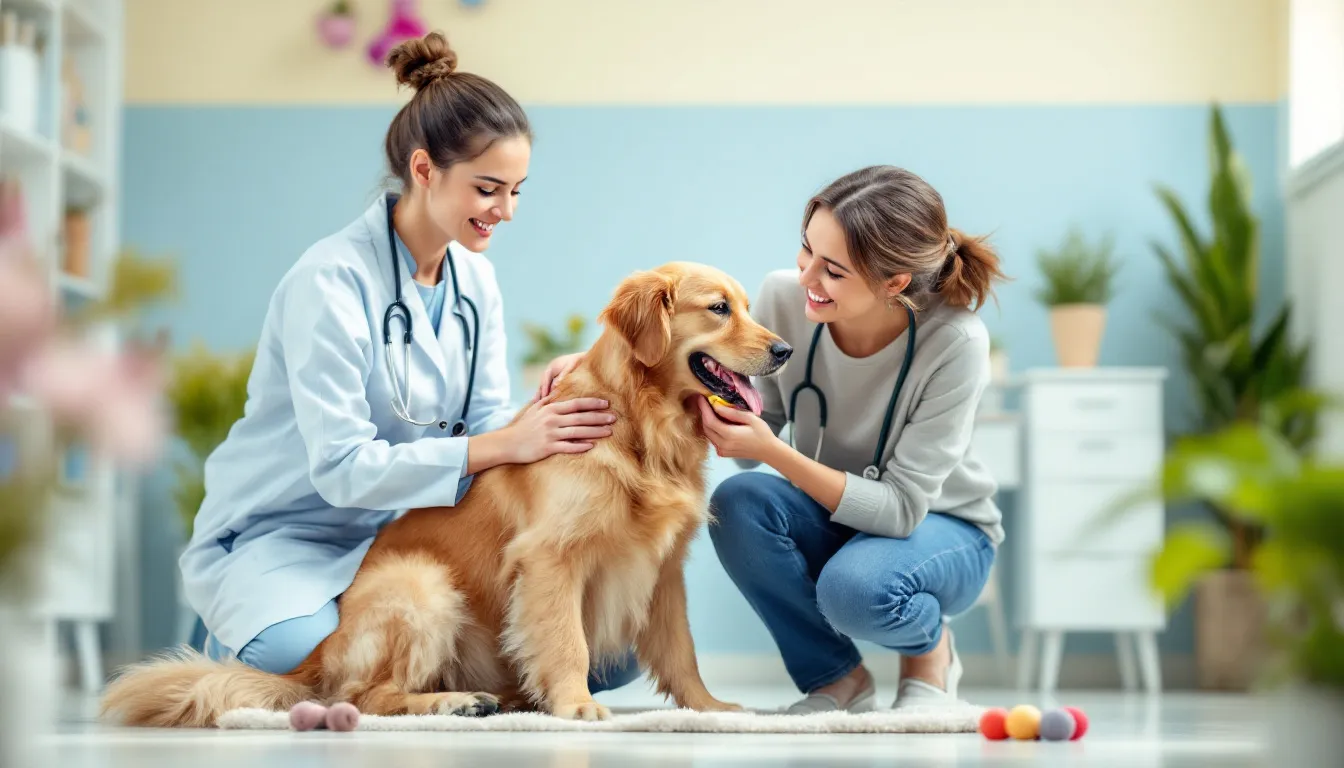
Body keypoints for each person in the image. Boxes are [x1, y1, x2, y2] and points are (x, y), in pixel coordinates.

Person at [179, 32, 640, 695]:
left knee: (608, 656)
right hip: (286, 538)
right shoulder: (330, 282)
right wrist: (502, 440)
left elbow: (487, 433)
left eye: (517, 191)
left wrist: (587, 373)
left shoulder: (475, 284)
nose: (505, 212)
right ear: (424, 171)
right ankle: (235, 634)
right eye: (488, 189)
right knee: (304, 657)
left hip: (406, 540)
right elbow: (341, 470)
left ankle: (411, 671)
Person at [542, 166, 1008, 713]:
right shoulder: (786, 297)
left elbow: (902, 510)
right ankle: (837, 678)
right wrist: (606, 362)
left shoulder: (956, 341)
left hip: (940, 529)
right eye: (806, 250)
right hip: (836, 517)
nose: (807, 277)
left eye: (832, 270)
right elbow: (726, 383)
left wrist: (771, 451)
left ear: (894, 283)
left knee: (856, 591)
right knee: (741, 503)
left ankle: (931, 655)